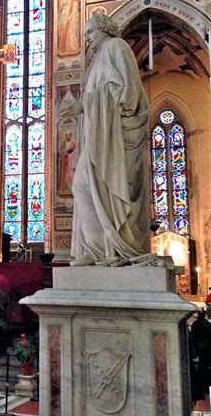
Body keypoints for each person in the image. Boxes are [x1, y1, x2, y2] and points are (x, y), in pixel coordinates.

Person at [58, 14, 151, 266]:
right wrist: (84, 106)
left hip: (113, 141)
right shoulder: (98, 58)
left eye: (90, 32)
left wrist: (84, 104)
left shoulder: (117, 48)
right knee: (81, 186)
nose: (87, 38)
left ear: (105, 30)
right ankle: (98, 250)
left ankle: (114, 250)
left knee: (91, 187)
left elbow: (127, 95)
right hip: (98, 138)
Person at [190, 310, 211, 399]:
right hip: (206, 347)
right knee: (204, 365)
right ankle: (204, 384)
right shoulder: (207, 324)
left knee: (202, 365)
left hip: (197, 345)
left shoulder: (195, 324)